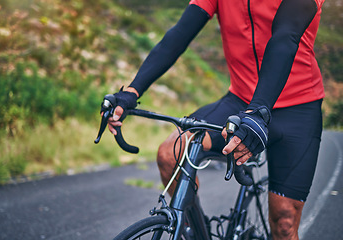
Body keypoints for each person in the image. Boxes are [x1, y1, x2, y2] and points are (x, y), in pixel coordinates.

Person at [106, 0, 325, 239]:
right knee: (171, 154)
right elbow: (179, 34)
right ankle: (197, 233)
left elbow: (285, 36)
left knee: (284, 222)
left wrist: (257, 112)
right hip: (240, 100)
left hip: (298, 108)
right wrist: (132, 91)